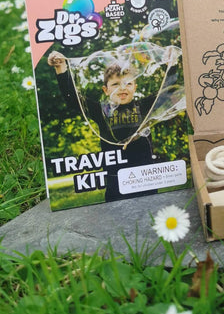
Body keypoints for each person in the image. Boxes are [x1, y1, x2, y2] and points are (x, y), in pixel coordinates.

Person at [48, 50, 162, 201]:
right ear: (106, 90)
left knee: (150, 209)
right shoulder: (101, 111)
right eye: (115, 84)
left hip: (145, 176)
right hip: (115, 179)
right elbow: (72, 98)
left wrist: (171, 62)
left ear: (135, 87)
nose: (122, 88)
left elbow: (167, 90)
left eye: (128, 83)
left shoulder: (144, 106)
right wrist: (61, 67)